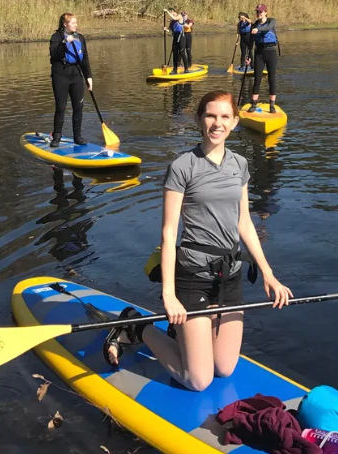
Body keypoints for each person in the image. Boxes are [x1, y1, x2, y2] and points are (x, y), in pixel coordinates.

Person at [103, 90, 293, 392]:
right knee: (199, 380)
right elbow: (168, 233)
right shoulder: (182, 167)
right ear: (199, 119)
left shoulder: (240, 165)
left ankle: (184, 335)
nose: (217, 123)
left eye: (224, 117)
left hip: (229, 274)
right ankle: (138, 327)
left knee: (225, 368)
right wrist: (168, 295)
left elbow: (244, 221)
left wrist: (268, 273)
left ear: (234, 121)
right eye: (210, 116)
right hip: (193, 276)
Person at [48, 13, 93, 146]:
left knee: (78, 107)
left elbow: (85, 59)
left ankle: (77, 137)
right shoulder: (56, 37)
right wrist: (65, 42)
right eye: (73, 23)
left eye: (76, 23)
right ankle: (56, 137)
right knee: (61, 107)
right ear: (65, 24)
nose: (76, 25)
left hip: (76, 75)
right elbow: (54, 54)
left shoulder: (81, 38)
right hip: (60, 74)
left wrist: (88, 77)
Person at [245, 4, 279, 113]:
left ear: (265, 12)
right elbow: (250, 42)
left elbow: (267, 28)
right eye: (257, 12)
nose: (258, 14)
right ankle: (254, 104)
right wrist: (248, 56)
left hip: (271, 52)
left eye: (260, 12)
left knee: (271, 79)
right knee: (257, 79)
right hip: (259, 53)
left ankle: (272, 105)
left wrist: (257, 29)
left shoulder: (271, 21)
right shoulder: (255, 24)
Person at [163, 8, 189, 74]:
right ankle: (175, 70)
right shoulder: (172, 21)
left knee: (182, 52)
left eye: (172, 12)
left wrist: (167, 12)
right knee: (175, 53)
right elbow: (170, 29)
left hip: (181, 37)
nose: (171, 13)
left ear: (174, 12)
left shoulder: (179, 16)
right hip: (175, 37)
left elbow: (174, 18)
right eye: (170, 12)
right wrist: (166, 29)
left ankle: (186, 69)